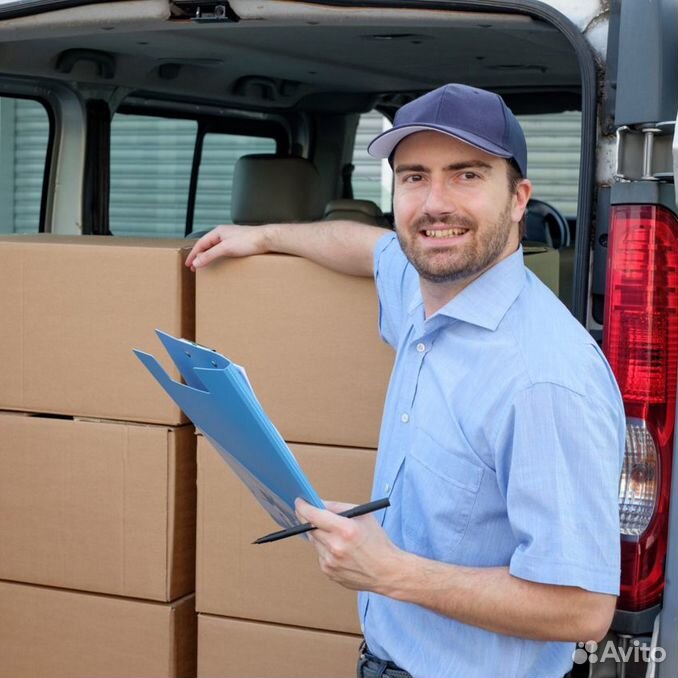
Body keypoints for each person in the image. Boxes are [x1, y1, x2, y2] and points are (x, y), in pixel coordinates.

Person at [185, 83, 625, 678]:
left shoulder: (542, 378)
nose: (434, 203)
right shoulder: (423, 290)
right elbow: (369, 247)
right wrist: (265, 236)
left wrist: (389, 572)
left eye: (466, 175)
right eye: (414, 177)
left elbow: (582, 609)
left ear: (520, 198)